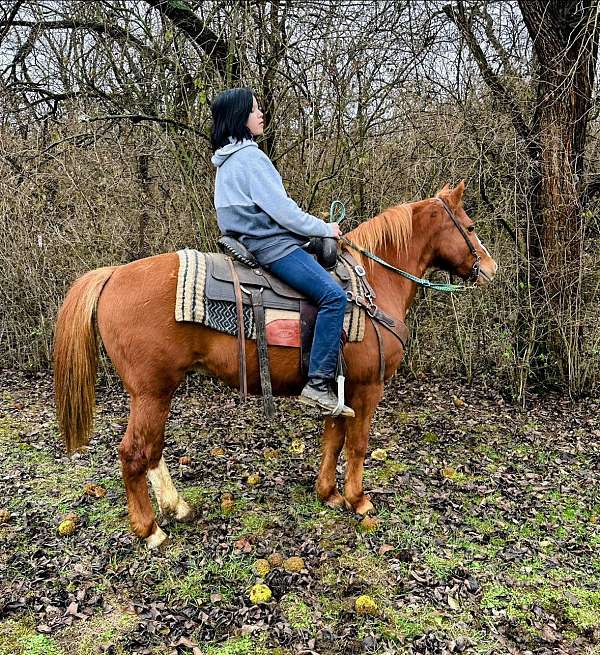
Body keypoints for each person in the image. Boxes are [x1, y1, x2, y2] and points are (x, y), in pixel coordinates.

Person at [210, 87, 354, 418]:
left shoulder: (225, 163)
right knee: (334, 297)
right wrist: (324, 228)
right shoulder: (251, 158)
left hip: (252, 241)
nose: (261, 115)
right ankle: (318, 385)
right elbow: (283, 211)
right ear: (240, 118)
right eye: (255, 110)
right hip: (272, 247)